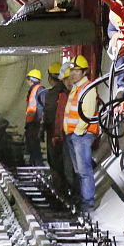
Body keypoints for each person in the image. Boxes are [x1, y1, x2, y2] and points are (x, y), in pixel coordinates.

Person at [63, 55, 99, 212]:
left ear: (85, 72)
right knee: (79, 169)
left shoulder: (88, 88)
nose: (73, 73)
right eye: (72, 70)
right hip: (73, 135)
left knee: (84, 170)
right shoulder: (76, 88)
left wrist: (78, 131)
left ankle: (88, 202)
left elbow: (88, 112)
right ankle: (82, 198)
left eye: (77, 70)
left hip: (81, 135)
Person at [41, 62, 69, 195]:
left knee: (55, 161)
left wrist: (42, 129)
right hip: (70, 133)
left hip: (54, 133)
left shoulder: (51, 94)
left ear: (50, 78)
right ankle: (69, 190)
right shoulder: (70, 91)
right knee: (67, 162)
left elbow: (48, 116)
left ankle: (60, 191)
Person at [23, 68, 45, 167]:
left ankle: (38, 167)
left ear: (31, 80)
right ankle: (34, 167)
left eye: (28, 79)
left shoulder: (39, 90)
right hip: (31, 124)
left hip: (35, 124)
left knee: (35, 148)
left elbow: (44, 106)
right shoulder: (33, 90)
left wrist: (41, 123)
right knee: (32, 147)